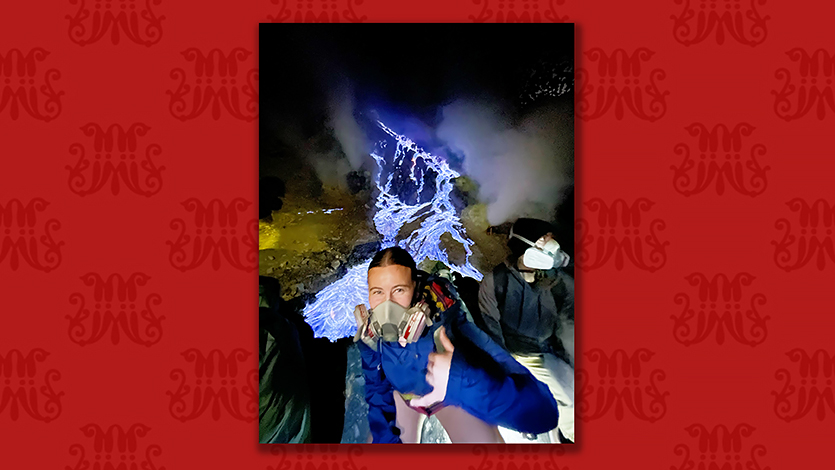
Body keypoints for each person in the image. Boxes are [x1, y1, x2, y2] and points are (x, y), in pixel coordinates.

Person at [356, 247, 560, 443]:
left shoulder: (450, 324)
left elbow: (543, 415)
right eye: (378, 292)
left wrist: (458, 379)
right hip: (405, 397)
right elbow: (376, 386)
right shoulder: (371, 336)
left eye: (399, 290)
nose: (387, 305)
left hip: (449, 398)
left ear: (416, 289)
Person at [477, 218, 575, 443]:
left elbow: (570, 312)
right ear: (526, 246)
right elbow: (491, 332)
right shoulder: (496, 282)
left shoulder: (553, 278)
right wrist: (510, 377)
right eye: (544, 239)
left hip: (551, 349)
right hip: (523, 355)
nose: (552, 245)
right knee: (568, 398)